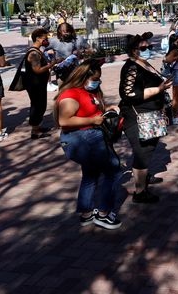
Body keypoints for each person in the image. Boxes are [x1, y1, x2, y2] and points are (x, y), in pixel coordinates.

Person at [55, 60, 123, 229]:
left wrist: (107, 109)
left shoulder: (87, 92)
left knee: (90, 174)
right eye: (94, 79)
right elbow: (64, 120)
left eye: (98, 79)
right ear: (83, 77)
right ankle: (104, 214)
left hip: (90, 136)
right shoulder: (71, 94)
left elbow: (92, 108)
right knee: (113, 170)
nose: (97, 82)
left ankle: (86, 213)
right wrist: (93, 120)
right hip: (83, 137)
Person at [120, 33, 173, 203]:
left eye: (149, 47)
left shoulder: (143, 63)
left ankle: (144, 177)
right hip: (138, 117)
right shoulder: (131, 67)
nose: (148, 50)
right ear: (134, 51)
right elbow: (128, 93)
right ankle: (140, 192)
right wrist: (159, 89)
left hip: (150, 115)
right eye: (143, 48)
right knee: (143, 152)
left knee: (147, 149)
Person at [24, 28, 61, 138]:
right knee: (37, 106)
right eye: (45, 38)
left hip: (39, 83)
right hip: (35, 84)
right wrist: (52, 64)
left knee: (41, 105)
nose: (47, 40)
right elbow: (37, 70)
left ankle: (37, 127)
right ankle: (35, 131)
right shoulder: (34, 53)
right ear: (38, 39)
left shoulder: (38, 50)